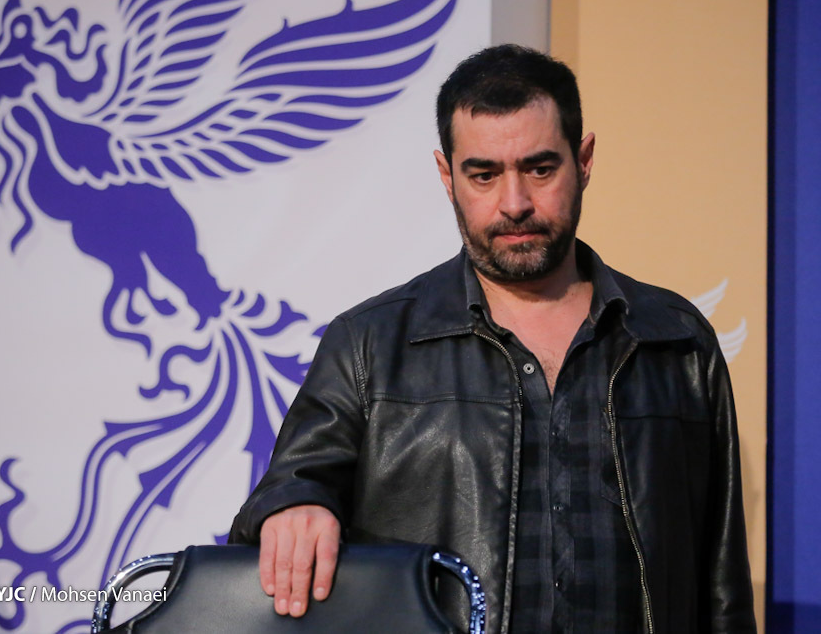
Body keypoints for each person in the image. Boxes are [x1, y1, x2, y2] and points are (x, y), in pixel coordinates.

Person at [228, 44, 756, 633]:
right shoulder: (368, 345)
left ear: (583, 161)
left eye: (540, 169)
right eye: (484, 174)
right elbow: (291, 487)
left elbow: (722, 584)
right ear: (446, 175)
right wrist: (296, 505)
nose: (514, 204)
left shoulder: (676, 341)